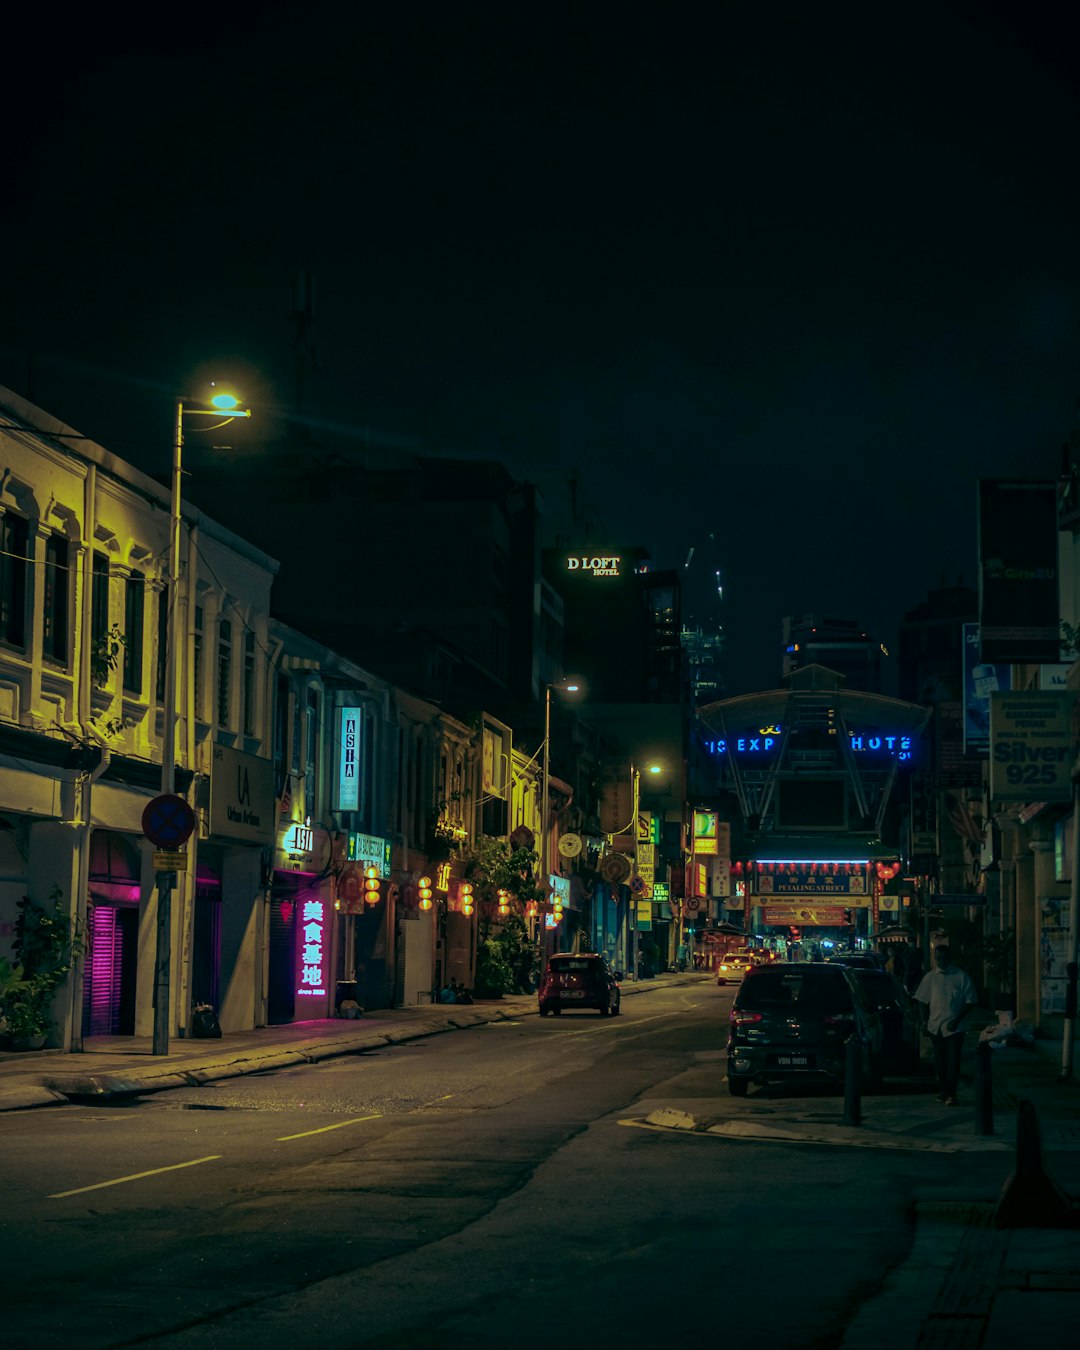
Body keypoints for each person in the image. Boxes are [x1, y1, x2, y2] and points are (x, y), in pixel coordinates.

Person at [914, 945, 978, 1105]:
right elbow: (921, 1000)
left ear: (950, 958)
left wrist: (956, 1020)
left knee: (953, 1061)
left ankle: (951, 1092)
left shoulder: (961, 977)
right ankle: (944, 1090)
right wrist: (924, 1021)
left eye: (944, 958)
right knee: (940, 1061)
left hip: (955, 1028)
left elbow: (971, 1002)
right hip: (936, 1026)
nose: (941, 961)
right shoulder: (931, 977)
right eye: (938, 958)